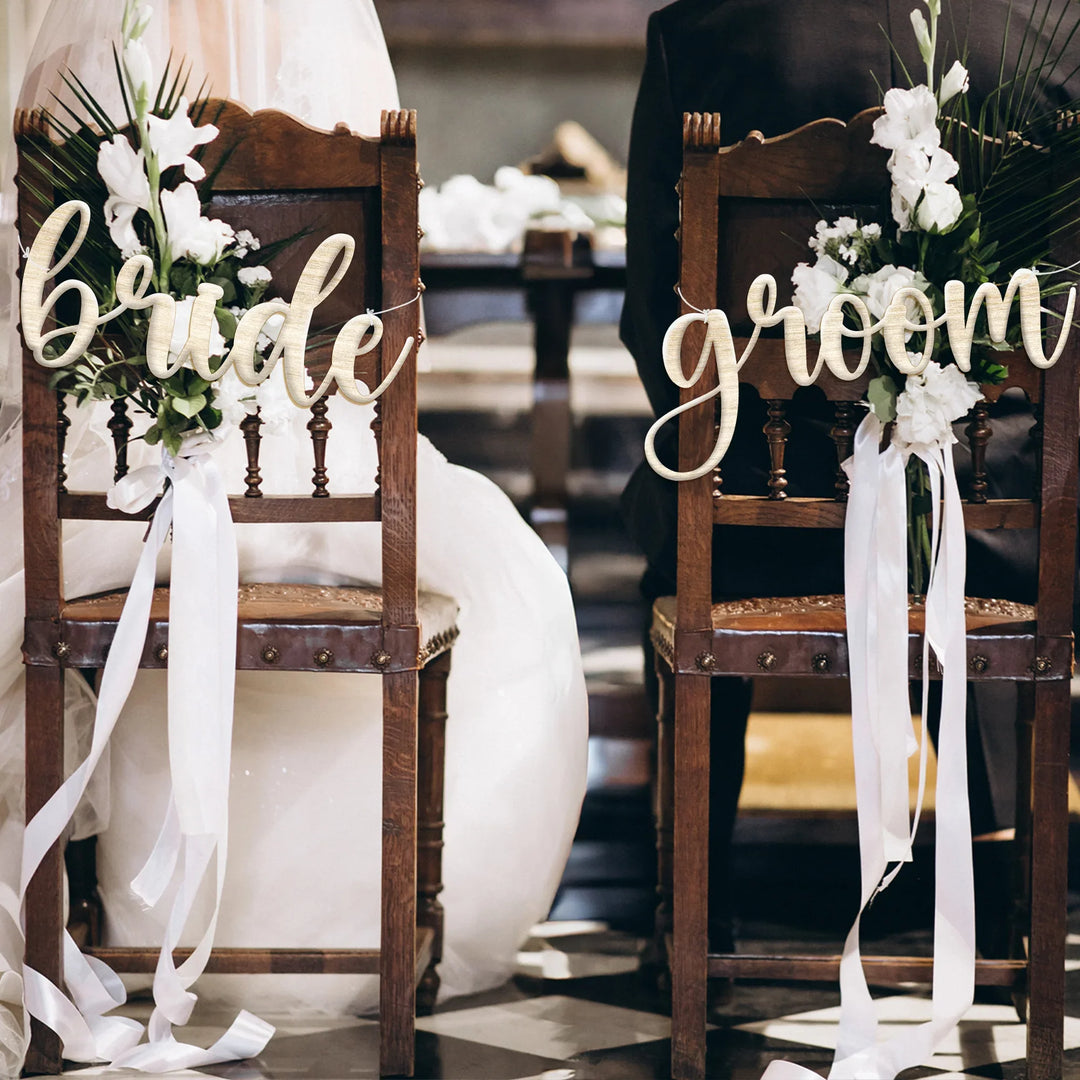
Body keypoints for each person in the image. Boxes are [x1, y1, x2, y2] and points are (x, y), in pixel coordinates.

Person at [0, 0, 588, 1066]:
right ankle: (373, 931)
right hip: (324, 476)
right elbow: (369, 338)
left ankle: (109, 916)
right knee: (513, 594)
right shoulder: (323, 35)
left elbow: (29, 322)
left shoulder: (67, 55)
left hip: (109, 490)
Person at [620, 0, 1080, 953]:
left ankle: (693, 902)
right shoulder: (1051, 32)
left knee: (675, 507)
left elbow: (651, 315)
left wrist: (771, 440)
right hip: (999, 513)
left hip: (752, 516)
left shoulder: (701, 33)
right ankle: (1003, 883)